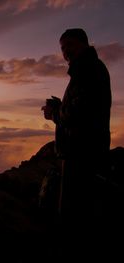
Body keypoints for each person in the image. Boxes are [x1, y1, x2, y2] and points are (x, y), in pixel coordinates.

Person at [41, 28, 112, 240]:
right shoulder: (89, 69)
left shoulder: (88, 70)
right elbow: (81, 107)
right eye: (63, 49)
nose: (66, 52)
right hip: (85, 149)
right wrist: (61, 106)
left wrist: (54, 112)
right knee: (81, 208)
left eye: (69, 45)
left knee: (72, 212)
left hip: (81, 152)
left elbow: (77, 115)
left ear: (84, 44)